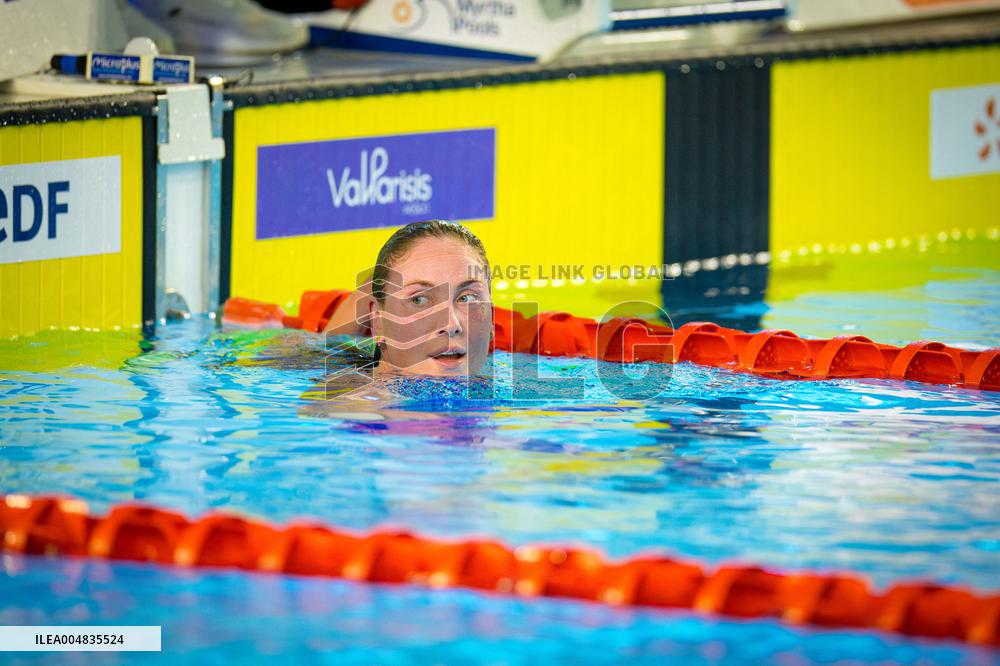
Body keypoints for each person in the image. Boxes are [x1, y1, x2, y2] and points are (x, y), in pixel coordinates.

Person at [323, 220, 494, 378]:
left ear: (492, 318)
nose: (451, 325)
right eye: (419, 300)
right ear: (377, 320)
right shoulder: (344, 406)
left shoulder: (513, 382)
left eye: (467, 298)